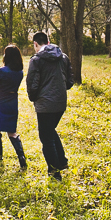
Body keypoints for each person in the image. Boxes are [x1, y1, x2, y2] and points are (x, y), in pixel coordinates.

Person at [25, 31, 73, 180]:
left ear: (35, 44)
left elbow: (32, 84)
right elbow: (69, 82)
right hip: (60, 102)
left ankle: (54, 172)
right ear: (48, 41)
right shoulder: (63, 57)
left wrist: (34, 98)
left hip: (45, 104)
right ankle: (62, 161)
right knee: (50, 130)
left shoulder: (36, 60)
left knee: (46, 138)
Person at [0, 44, 27, 169]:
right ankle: (21, 157)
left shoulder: (1, 71)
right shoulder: (20, 72)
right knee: (12, 132)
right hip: (12, 102)